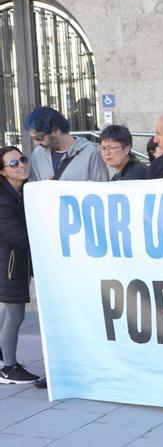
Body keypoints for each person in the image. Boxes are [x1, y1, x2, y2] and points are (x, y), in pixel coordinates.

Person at [0, 146, 40, 385]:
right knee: (15, 314)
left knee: (6, 312)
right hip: (9, 265)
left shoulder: (23, 190)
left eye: (22, 160)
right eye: (13, 164)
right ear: (3, 172)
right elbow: (20, 237)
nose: (22, 165)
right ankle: (9, 367)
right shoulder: (4, 201)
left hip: (15, 263)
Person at [23, 106, 109, 182]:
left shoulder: (91, 153)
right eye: (33, 139)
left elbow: (101, 191)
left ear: (55, 130)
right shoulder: (38, 154)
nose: (36, 143)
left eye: (39, 138)